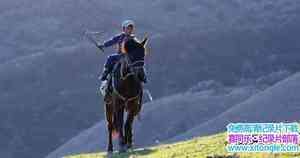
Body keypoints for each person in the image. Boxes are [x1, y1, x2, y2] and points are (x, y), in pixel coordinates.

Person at [97, 20, 147, 97]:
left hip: (130, 57)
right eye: (128, 28)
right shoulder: (120, 37)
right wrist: (103, 45)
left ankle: (143, 76)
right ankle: (105, 73)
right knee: (110, 58)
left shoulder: (134, 39)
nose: (129, 30)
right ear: (124, 29)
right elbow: (112, 41)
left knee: (139, 63)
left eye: (131, 29)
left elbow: (138, 48)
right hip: (120, 56)